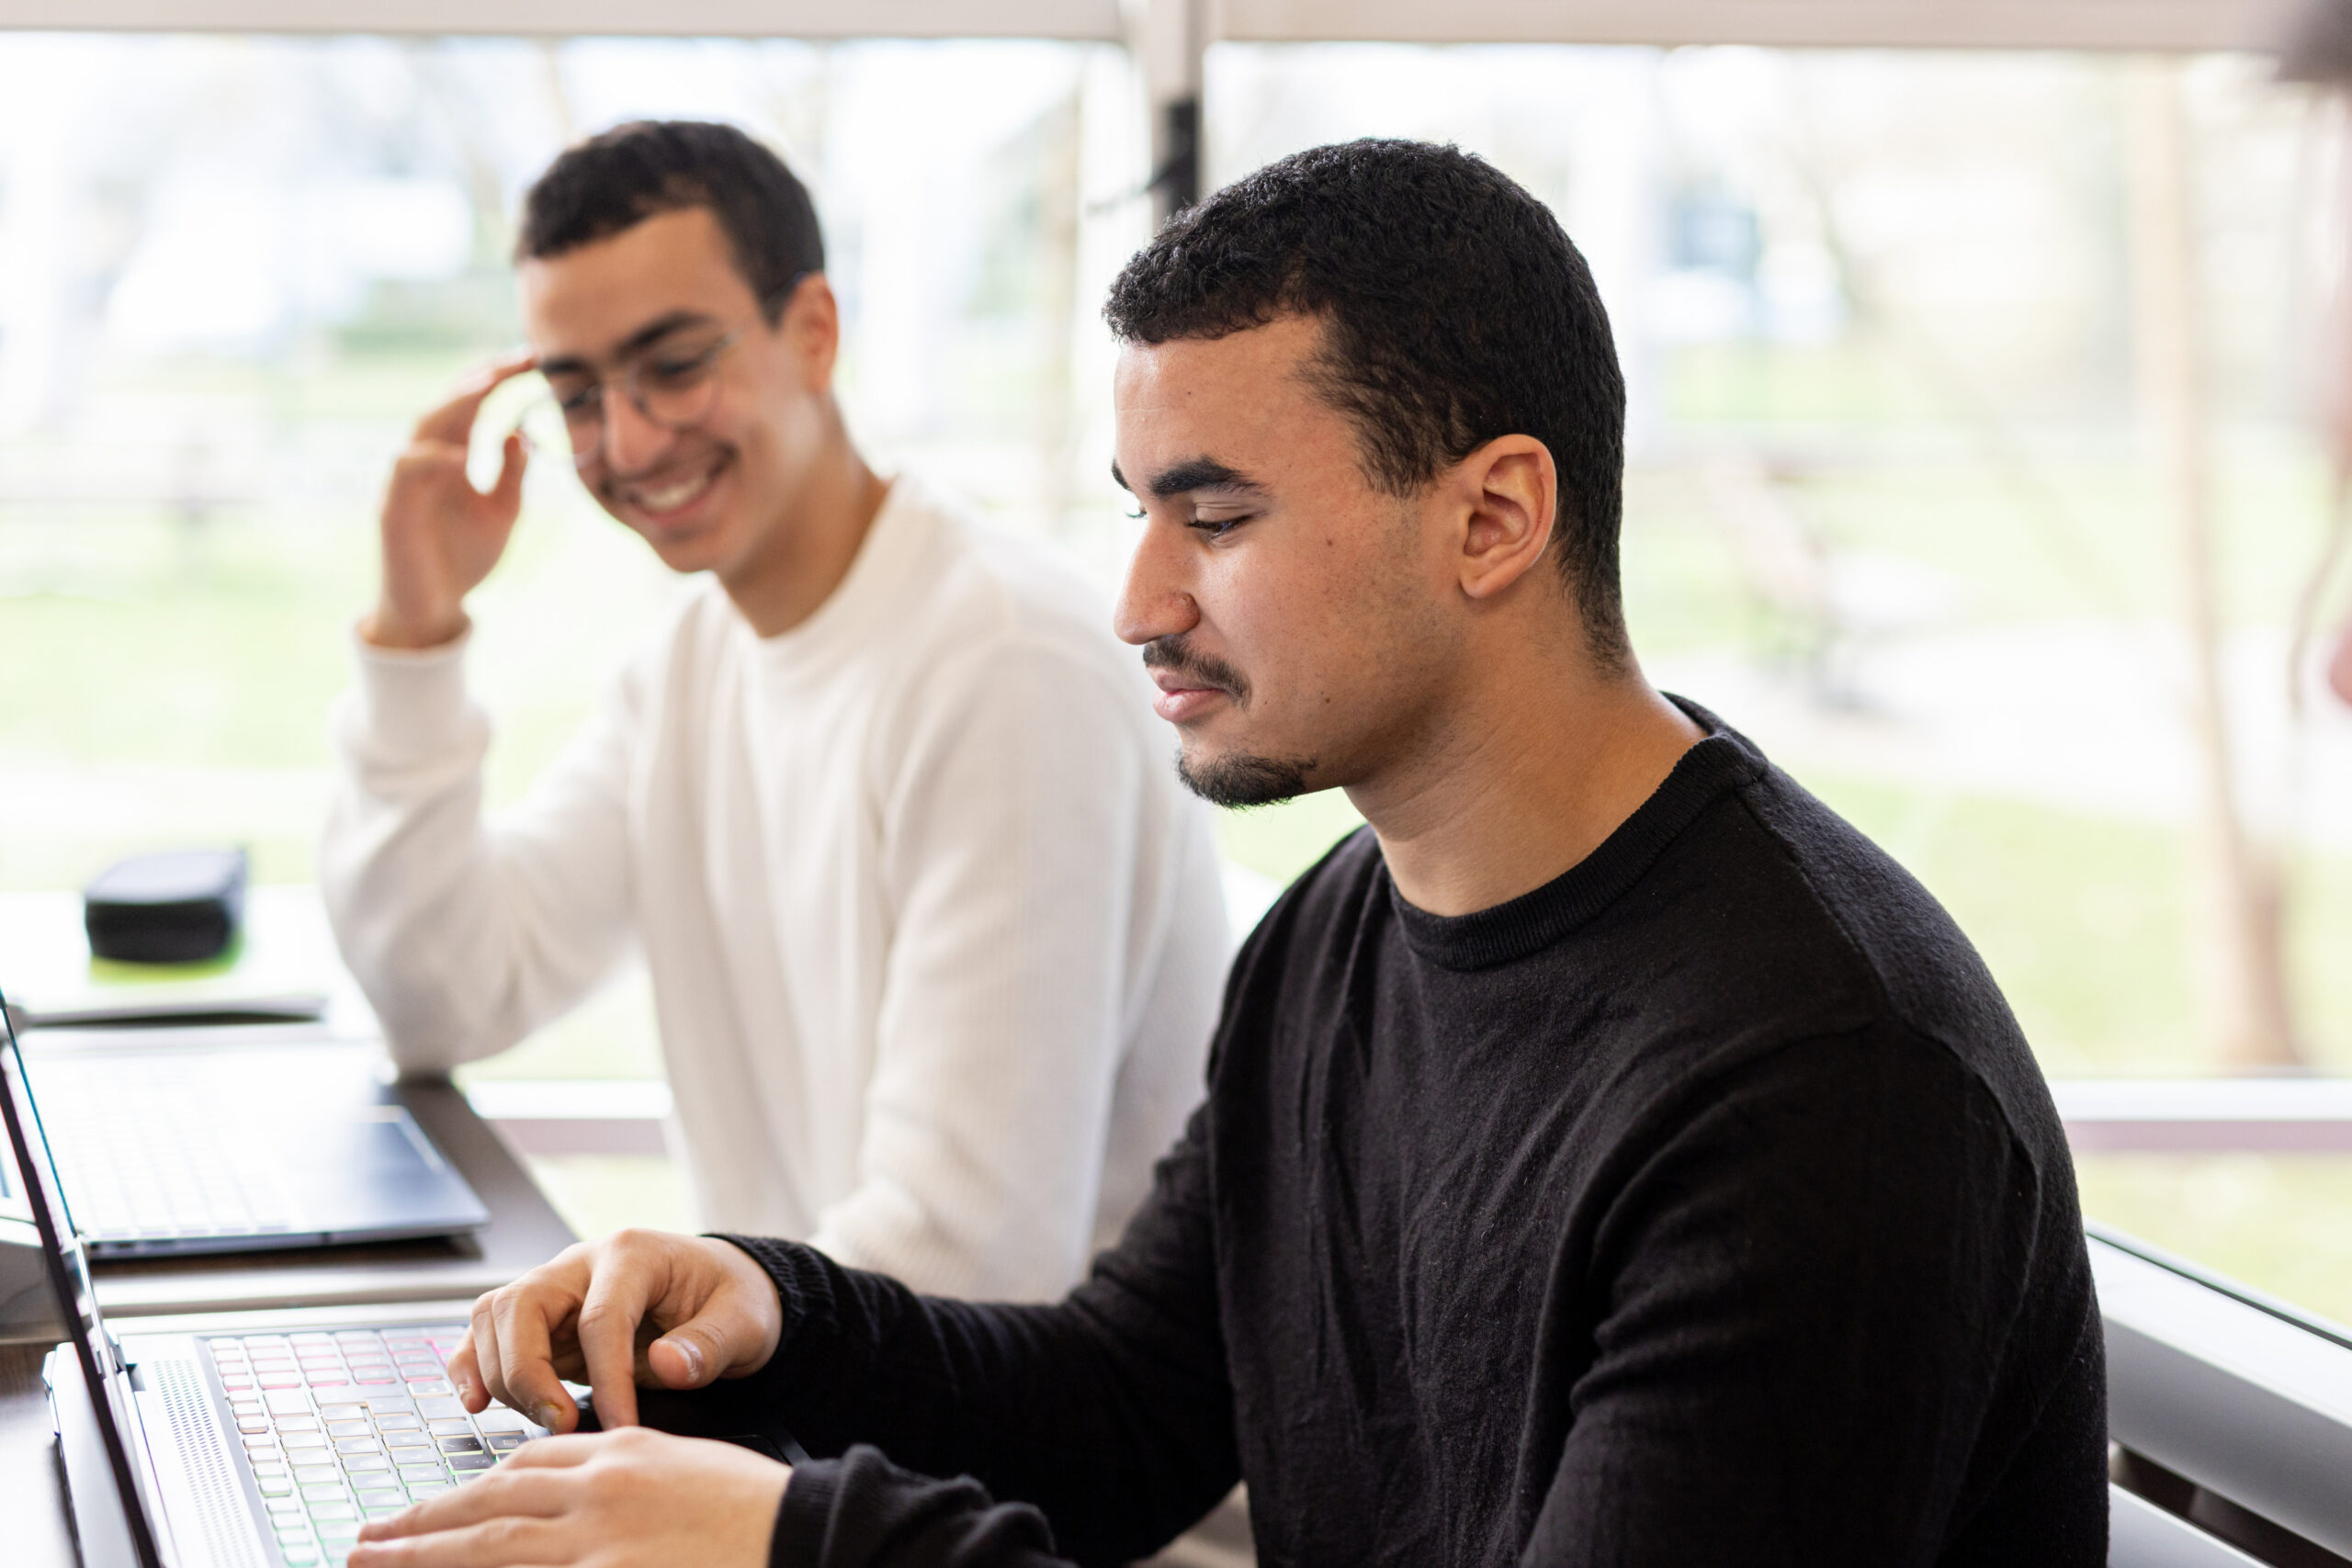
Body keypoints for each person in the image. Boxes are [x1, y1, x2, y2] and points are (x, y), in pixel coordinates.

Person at [348, 140, 2108, 1568]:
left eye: (1217, 514)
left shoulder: (1820, 1088)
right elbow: (1122, 1409)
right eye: (1140, 511)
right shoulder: (1349, 921)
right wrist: (776, 1309)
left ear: (1495, 516)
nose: (1138, 600)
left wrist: (800, 1540)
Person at [319, 120, 1229, 1302]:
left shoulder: (1006, 665)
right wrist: (415, 632)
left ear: (813, 332)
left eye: (672, 365)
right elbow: (443, 996)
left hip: (1002, 1419)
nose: (625, 442)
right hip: (820, 1385)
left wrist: (657, 1344)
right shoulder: (694, 658)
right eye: (578, 394)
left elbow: (968, 1261)